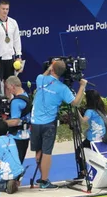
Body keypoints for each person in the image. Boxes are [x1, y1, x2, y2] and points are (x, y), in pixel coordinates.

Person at [31, 61, 86, 189]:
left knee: (39, 152)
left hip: (35, 123)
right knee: (47, 152)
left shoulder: (40, 79)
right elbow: (75, 103)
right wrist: (82, 86)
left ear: (52, 69)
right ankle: (44, 181)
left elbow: (44, 74)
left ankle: (42, 178)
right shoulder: (63, 88)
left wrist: (50, 67)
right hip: (48, 124)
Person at [0, 0, 22, 95]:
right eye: (3, 9)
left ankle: (8, 106)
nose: (5, 11)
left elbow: (17, 40)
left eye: (7, 9)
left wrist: (18, 56)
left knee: (8, 84)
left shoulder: (13, 22)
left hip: (10, 58)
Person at [76, 90, 107, 178]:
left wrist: (76, 110)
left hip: (93, 139)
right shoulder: (102, 109)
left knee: (79, 151)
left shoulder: (90, 111)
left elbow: (83, 120)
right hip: (103, 137)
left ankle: (83, 172)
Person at [0, 119, 24, 194]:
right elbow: (5, 159)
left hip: (7, 173)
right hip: (20, 171)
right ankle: (14, 181)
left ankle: (6, 186)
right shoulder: (12, 139)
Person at [5, 76, 31, 164]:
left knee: (13, 165)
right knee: (19, 163)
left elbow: (15, 121)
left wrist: (0, 123)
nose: (9, 91)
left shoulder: (16, 102)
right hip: (26, 135)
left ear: (12, 86)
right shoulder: (25, 95)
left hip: (15, 137)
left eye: (8, 88)